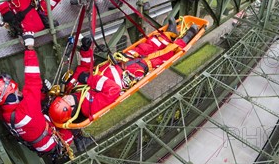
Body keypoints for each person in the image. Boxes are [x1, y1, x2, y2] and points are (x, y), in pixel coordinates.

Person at [48, 22, 200, 124]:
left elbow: (83, 67)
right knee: (157, 58)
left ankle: (168, 35)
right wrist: (90, 80)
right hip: (127, 75)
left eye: (64, 98)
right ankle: (185, 39)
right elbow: (113, 90)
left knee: (144, 48)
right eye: (68, 101)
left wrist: (85, 50)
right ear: (72, 110)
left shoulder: (71, 87)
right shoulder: (90, 108)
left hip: (117, 64)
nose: (67, 97)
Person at [0, 32, 91, 161]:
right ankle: (78, 137)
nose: (20, 92)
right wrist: (29, 48)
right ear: (11, 98)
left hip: (39, 137)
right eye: (17, 92)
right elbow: (32, 80)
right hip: (54, 140)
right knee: (69, 122)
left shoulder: (6, 113)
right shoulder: (26, 112)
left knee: (54, 107)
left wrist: (42, 94)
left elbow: (31, 106)